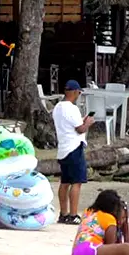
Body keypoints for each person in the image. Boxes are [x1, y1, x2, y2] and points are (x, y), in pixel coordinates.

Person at [52, 80, 94, 225]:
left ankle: (63, 214)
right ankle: (73, 214)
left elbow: (70, 124)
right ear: (76, 92)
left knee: (65, 182)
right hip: (74, 147)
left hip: (63, 148)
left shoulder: (57, 107)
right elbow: (80, 129)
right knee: (76, 182)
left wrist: (82, 121)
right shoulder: (72, 108)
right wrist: (88, 123)